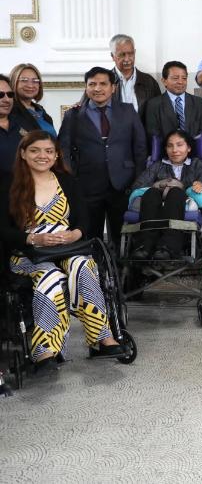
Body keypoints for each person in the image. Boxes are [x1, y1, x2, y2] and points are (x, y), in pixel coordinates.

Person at [0, 131, 128, 370]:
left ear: (56, 154)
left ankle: (103, 338)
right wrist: (32, 237)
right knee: (51, 277)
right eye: (35, 150)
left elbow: (83, 219)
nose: (43, 156)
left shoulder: (66, 180)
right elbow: (3, 229)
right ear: (23, 154)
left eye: (49, 151)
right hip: (28, 253)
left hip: (68, 247)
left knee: (82, 267)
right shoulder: (9, 184)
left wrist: (74, 233)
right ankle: (45, 350)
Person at [59, 67, 147, 242]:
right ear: (86, 87)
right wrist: (71, 178)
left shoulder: (128, 111)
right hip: (87, 185)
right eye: (92, 84)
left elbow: (140, 147)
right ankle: (95, 267)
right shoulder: (74, 115)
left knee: (123, 236)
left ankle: (122, 268)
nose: (97, 88)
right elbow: (63, 149)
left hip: (123, 184)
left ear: (113, 87)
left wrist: (138, 180)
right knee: (91, 236)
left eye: (103, 84)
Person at [128, 129, 202, 260]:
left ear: (189, 148)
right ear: (165, 149)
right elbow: (139, 184)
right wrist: (159, 186)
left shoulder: (196, 164)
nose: (174, 150)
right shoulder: (158, 165)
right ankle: (145, 246)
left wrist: (200, 184)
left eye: (179, 145)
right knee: (150, 193)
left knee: (175, 193)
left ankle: (168, 247)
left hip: (180, 200)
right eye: (170, 146)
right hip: (157, 201)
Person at [144, 61, 202, 152]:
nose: (180, 82)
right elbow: (153, 135)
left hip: (193, 156)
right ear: (164, 81)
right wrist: (173, 152)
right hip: (165, 157)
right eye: (175, 78)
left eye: (184, 78)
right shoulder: (153, 105)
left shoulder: (199, 103)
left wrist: (188, 150)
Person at [109, 33, 161, 115]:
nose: (127, 59)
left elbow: (158, 113)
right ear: (112, 56)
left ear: (135, 52)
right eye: (122, 55)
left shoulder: (149, 82)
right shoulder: (103, 81)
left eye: (130, 54)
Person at [9, 63, 56, 136]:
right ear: (14, 82)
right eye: (24, 80)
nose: (30, 85)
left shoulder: (40, 110)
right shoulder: (10, 111)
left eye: (35, 81)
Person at [0, 75, 24, 177]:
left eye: (10, 95)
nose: (7, 100)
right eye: (0, 95)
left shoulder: (23, 124)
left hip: (25, 189)